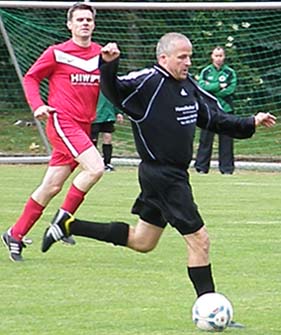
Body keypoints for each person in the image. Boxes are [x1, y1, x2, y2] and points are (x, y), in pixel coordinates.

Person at [41, 33, 275, 309]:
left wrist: (250, 121)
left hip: (173, 176)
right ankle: (210, 308)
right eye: (182, 57)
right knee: (200, 240)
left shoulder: (189, 85)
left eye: (190, 56)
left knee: (143, 241)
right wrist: (108, 64)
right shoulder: (147, 83)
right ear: (163, 58)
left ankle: (67, 225)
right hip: (162, 176)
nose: (188, 62)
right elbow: (113, 89)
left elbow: (214, 118)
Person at [1, 3, 105, 262]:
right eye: (79, 19)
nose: (84, 23)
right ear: (69, 25)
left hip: (84, 125)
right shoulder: (56, 53)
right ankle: (63, 220)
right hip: (63, 122)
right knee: (95, 168)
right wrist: (37, 105)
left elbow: (111, 84)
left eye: (88, 20)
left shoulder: (100, 54)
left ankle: (15, 233)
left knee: (51, 185)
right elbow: (31, 78)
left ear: (93, 24)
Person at [195, 46, 237, 174]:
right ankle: (201, 168)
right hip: (209, 110)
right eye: (216, 56)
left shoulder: (230, 73)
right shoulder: (206, 71)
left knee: (226, 140)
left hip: (225, 109)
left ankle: (227, 169)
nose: (218, 58)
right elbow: (201, 87)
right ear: (212, 56)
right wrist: (218, 86)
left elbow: (230, 89)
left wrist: (211, 88)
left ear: (224, 57)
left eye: (221, 56)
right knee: (205, 139)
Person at [91, 92, 124, 172]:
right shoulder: (93, 86)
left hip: (108, 116)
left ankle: (107, 163)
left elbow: (115, 99)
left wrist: (119, 112)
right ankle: (92, 163)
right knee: (93, 140)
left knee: (107, 138)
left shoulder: (108, 87)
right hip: (95, 116)